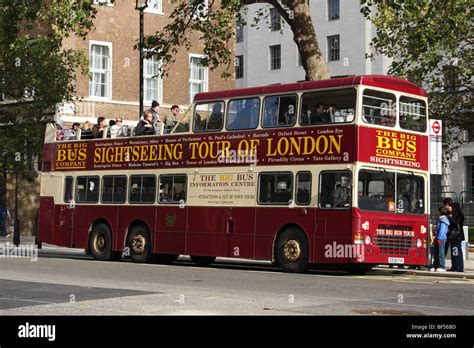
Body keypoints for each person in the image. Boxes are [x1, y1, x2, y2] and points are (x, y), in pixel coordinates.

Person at [431, 206, 450, 272]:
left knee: (440, 253)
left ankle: (442, 266)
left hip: (440, 238)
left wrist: (438, 238)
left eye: (439, 211)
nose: (437, 212)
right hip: (438, 238)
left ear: (440, 212)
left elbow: (442, 231)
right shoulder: (441, 219)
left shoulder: (443, 220)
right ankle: (435, 265)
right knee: (436, 252)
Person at [448, 202, 464, 272]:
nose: (449, 208)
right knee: (454, 251)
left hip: (456, 236)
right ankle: (454, 266)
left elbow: (455, 223)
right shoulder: (456, 214)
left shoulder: (457, 215)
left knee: (456, 252)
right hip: (455, 236)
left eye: (451, 207)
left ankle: (458, 267)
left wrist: (450, 218)